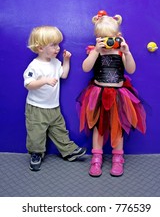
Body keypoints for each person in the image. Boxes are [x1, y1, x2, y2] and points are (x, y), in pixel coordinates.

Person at [77, 10, 146, 177]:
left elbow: (131, 69)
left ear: (118, 36)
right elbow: (86, 67)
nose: (106, 43)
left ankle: (117, 159)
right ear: (97, 38)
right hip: (97, 94)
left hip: (119, 95)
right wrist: (95, 51)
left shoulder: (121, 52)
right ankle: (96, 159)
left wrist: (127, 52)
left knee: (118, 127)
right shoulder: (95, 51)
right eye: (102, 39)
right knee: (97, 128)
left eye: (110, 39)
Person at [23, 25, 86, 171]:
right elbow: (29, 84)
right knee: (36, 133)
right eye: (53, 45)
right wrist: (44, 80)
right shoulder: (34, 66)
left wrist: (66, 61)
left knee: (59, 129)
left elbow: (63, 74)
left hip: (53, 107)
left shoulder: (55, 62)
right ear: (40, 48)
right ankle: (36, 154)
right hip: (36, 108)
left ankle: (68, 151)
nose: (58, 48)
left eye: (58, 44)